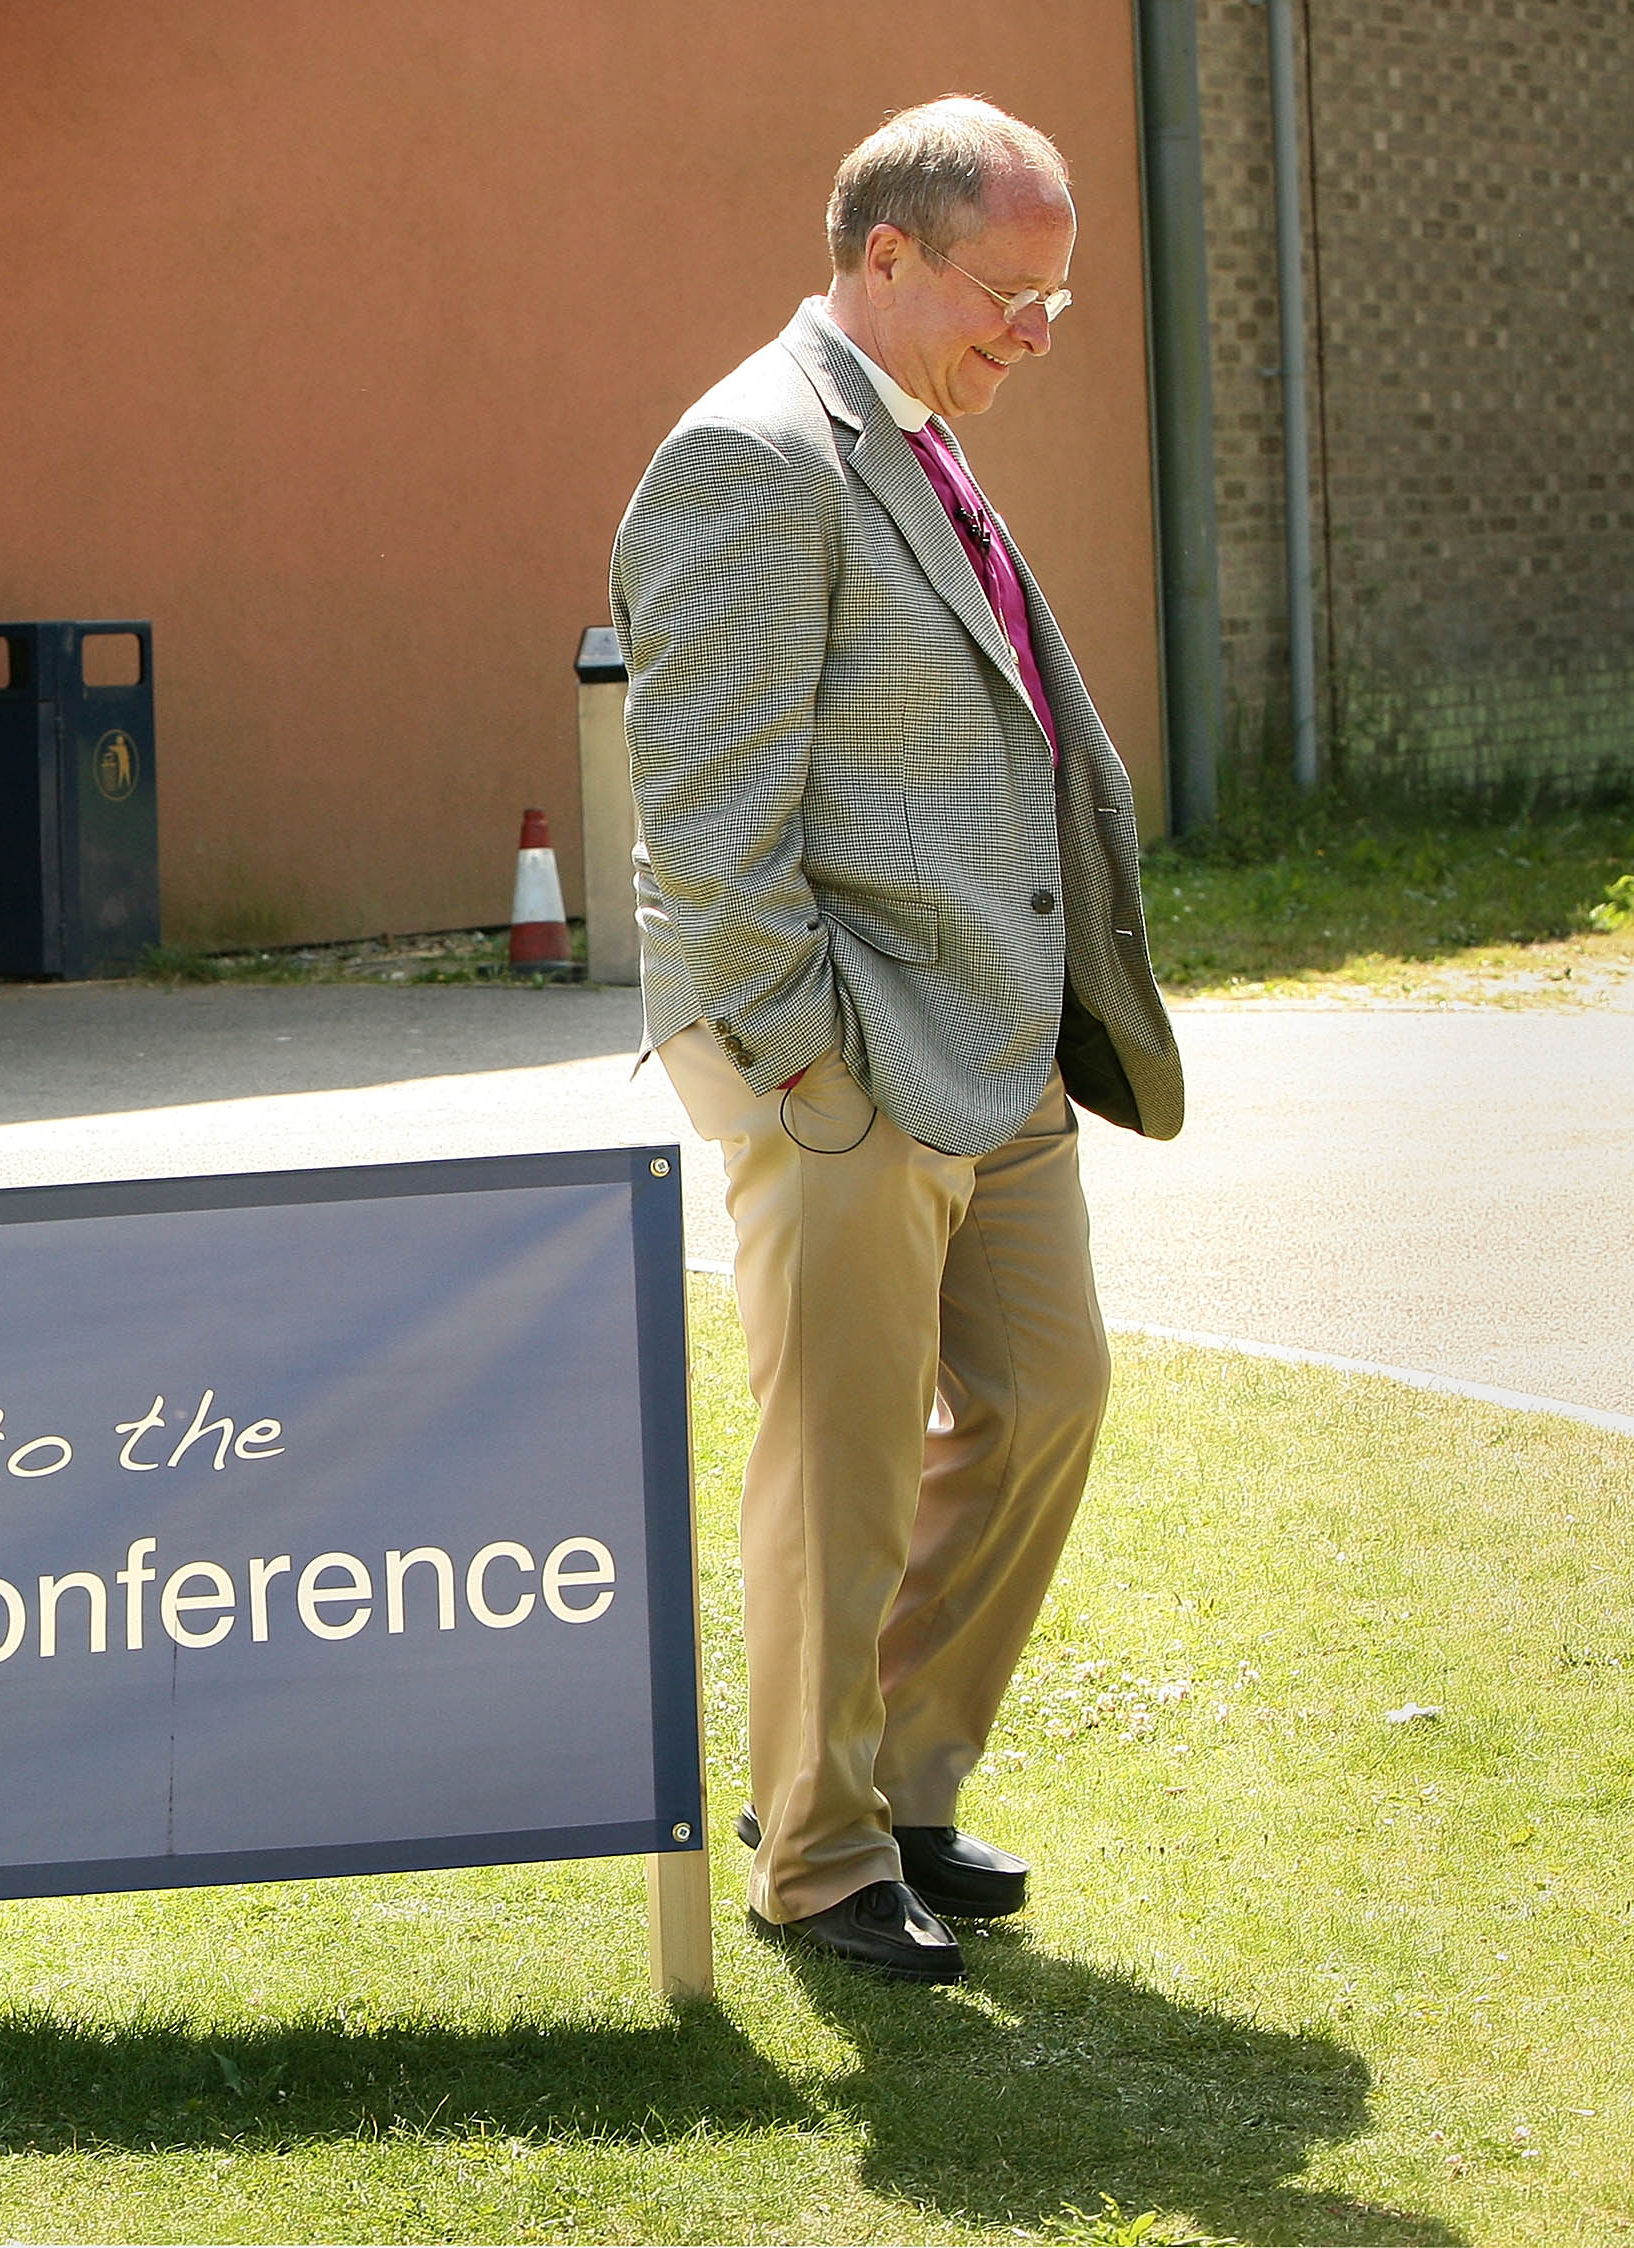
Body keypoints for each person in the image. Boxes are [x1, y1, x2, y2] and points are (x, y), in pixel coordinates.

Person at [609, 97, 1185, 1982]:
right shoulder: (752, 455)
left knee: (1045, 1399)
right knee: (839, 1464)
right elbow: (709, 819)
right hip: (843, 1057)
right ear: (887, 259)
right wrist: (803, 1064)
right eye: (1012, 291)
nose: (1038, 329)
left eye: (1063, 298)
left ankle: (900, 1785)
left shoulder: (923, 439)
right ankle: (823, 1856)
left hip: (998, 1044)